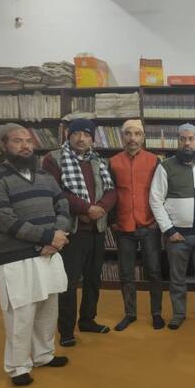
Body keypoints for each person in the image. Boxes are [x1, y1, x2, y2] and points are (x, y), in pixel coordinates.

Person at [0, 124, 70, 386]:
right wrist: (48, 237)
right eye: (17, 141)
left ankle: (44, 355)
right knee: (20, 315)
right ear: (4, 145)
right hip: (17, 259)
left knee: (48, 311)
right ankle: (18, 367)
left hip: (49, 254)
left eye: (28, 141)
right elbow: (3, 219)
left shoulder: (45, 176)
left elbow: (63, 205)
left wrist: (57, 237)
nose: (25, 146)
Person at [43, 118, 117, 347]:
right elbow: (55, 191)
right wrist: (85, 208)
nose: (81, 138)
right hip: (71, 232)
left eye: (87, 135)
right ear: (68, 135)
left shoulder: (99, 161)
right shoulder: (53, 159)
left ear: (92, 139)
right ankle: (66, 331)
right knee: (68, 282)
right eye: (77, 134)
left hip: (97, 229)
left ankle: (88, 320)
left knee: (93, 279)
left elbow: (111, 191)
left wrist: (100, 208)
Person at [149, 123, 195, 329]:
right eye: (182, 139)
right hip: (177, 235)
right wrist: (169, 230)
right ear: (177, 141)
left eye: (191, 139)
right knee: (177, 278)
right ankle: (178, 314)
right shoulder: (165, 167)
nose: (187, 143)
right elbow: (155, 200)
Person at [109, 119, 164, 331]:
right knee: (126, 273)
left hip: (149, 225)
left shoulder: (154, 161)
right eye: (128, 134)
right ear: (122, 137)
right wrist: (112, 221)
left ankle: (156, 313)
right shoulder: (113, 162)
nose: (132, 138)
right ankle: (130, 314)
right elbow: (109, 192)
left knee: (154, 271)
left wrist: (158, 220)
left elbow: (161, 192)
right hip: (123, 226)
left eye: (137, 134)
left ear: (143, 137)